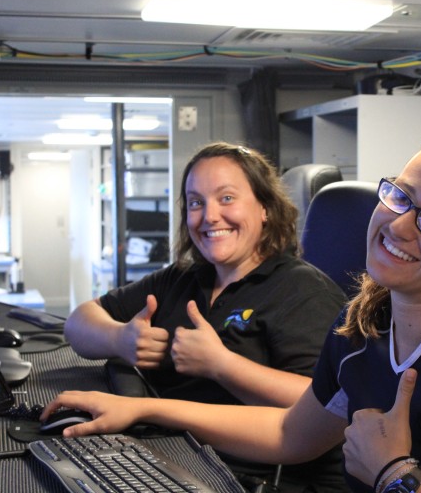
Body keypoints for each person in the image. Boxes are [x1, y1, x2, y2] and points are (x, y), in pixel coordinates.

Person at [45, 127, 421, 493]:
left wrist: (397, 474)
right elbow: (289, 437)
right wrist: (145, 410)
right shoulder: (362, 329)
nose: (398, 226)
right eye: (400, 197)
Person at [64, 141, 348, 491]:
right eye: (196, 202)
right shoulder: (181, 278)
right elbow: (79, 321)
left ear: (265, 209)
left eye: (226, 198)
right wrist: (120, 339)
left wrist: (221, 365)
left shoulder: (303, 291)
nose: (210, 216)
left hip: (260, 480)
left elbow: (323, 402)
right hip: (176, 461)